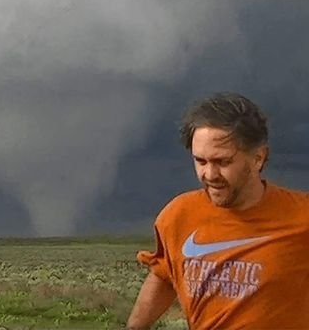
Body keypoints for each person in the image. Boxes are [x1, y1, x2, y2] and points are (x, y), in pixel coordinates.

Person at [126, 92, 309, 330]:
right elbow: (163, 276)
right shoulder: (178, 215)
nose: (210, 175)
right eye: (200, 161)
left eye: (223, 162)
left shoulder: (301, 216)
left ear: (258, 158)